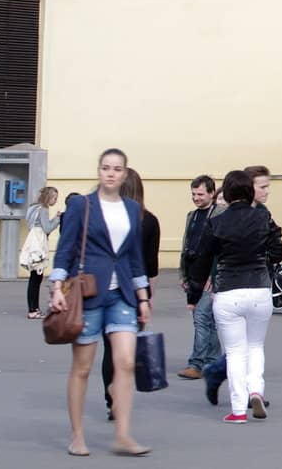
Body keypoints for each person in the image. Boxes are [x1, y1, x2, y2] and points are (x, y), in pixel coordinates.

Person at [48, 147, 153, 457]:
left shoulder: (133, 210)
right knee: (82, 368)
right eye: (106, 167)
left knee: (124, 363)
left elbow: (135, 256)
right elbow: (65, 250)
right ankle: (77, 435)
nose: (111, 173)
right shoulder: (83, 205)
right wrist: (56, 288)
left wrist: (143, 296)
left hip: (122, 295)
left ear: (125, 174)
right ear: (99, 171)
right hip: (89, 294)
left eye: (117, 169)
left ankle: (122, 434)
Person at [188, 169, 282, 424]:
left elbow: (202, 260)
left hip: (228, 291)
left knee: (234, 352)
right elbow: (278, 251)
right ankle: (256, 390)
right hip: (259, 290)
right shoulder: (263, 218)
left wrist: (194, 293)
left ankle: (238, 409)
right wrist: (264, 257)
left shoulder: (217, 222)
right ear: (250, 191)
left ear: (227, 194)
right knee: (255, 346)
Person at [103, 168, 159, 420]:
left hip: (105, 288)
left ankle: (110, 398)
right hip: (135, 292)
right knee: (125, 350)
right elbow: (151, 266)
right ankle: (121, 396)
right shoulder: (149, 221)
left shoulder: (105, 218)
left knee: (108, 349)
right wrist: (148, 298)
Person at [177, 175, 221, 380]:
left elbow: (221, 248)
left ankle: (197, 363)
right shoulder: (191, 216)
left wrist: (216, 274)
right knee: (206, 320)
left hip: (211, 277)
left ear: (212, 194)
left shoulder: (220, 215)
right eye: (193, 194)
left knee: (202, 317)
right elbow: (186, 245)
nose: (196, 197)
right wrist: (183, 273)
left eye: (200, 194)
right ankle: (214, 362)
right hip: (194, 275)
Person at [21, 185, 60, 318]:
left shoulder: (33, 207)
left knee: (34, 278)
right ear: (48, 197)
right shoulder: (43, 209)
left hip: (32, 243)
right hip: (39, 245)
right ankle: (33, 310)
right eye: (54, 198)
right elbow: (47, 228)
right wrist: (57, 219)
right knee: (36, 278)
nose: (55, 201)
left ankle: (33, 309)